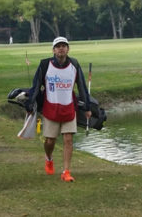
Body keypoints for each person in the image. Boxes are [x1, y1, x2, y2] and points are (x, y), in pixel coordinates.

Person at [25, 36, 91, 182]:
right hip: (50, 109)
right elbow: (36, 85)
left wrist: (87, 106)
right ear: (53, 50)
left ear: (68, 49)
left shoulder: (74, 64)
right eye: (58, 46)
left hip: (69, 109)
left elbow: (81, 85)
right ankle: (49, 158)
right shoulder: (44, 65)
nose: (61, 48)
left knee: (68, 139)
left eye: (64, 46)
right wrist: (30, 104)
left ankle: (66, 171)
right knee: (50, 141)